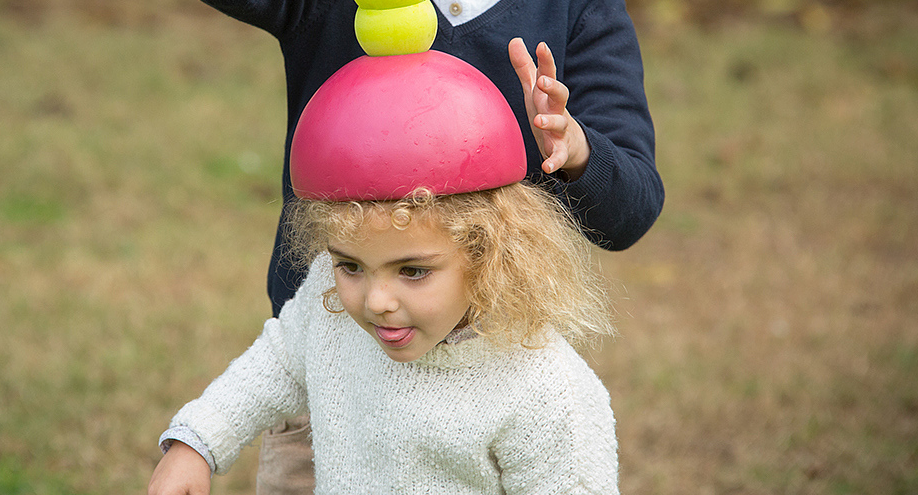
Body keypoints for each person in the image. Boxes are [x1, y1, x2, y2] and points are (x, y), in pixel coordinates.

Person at [162, 0, 662, 488]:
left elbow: (632, 208)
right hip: (330, 370)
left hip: (491, 381)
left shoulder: (577, 2)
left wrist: (574, 151)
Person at [149, 52, 619, 493]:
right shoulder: (328, 305)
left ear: (487, 255)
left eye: (412, 271)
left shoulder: (545, 391)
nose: (376, 301)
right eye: (350, 266)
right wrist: (196, 443)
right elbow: (275, 365)